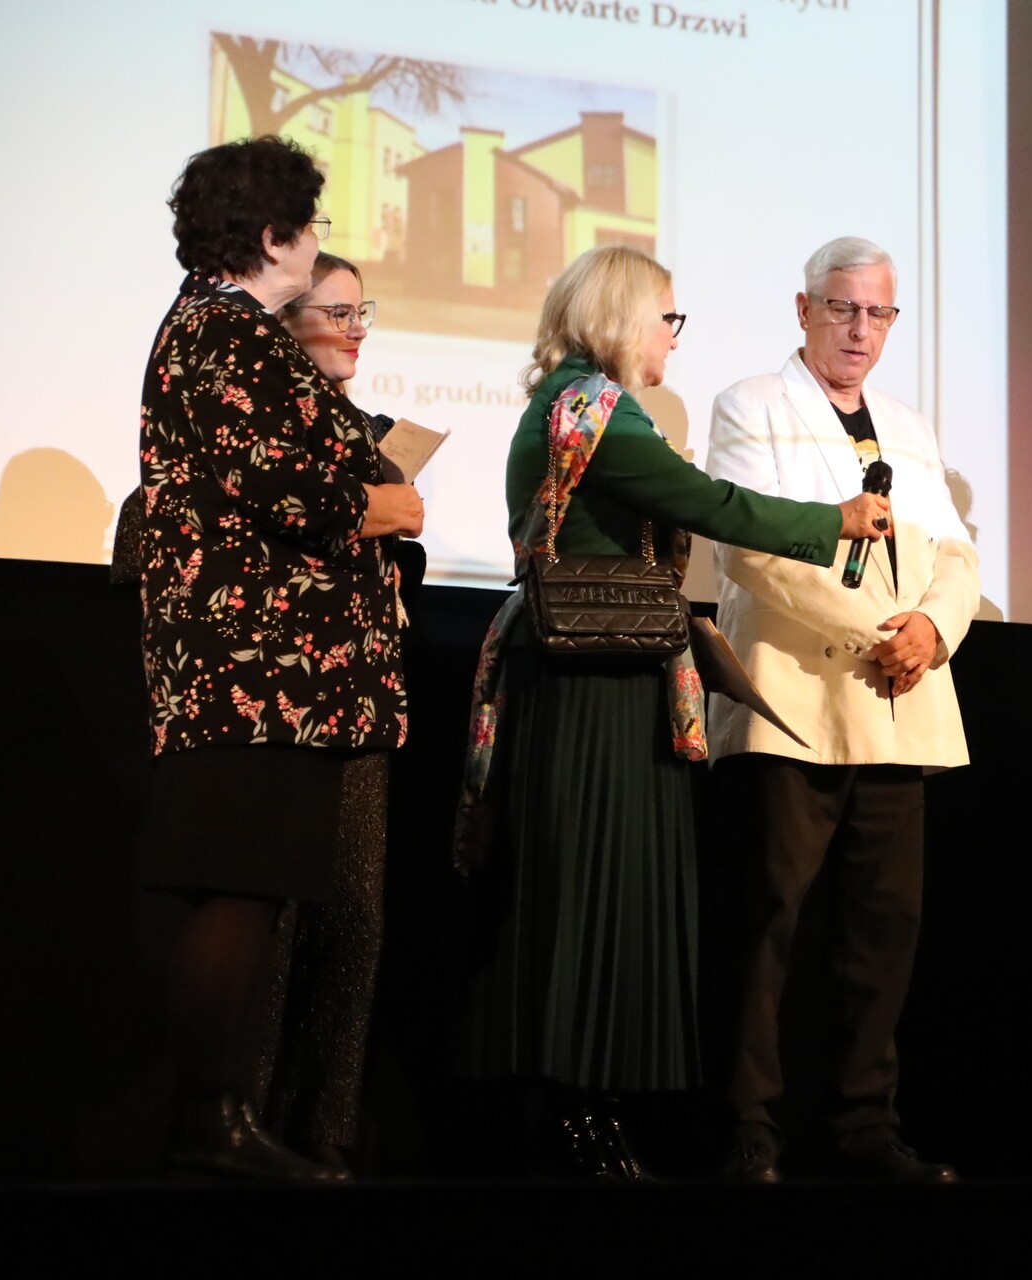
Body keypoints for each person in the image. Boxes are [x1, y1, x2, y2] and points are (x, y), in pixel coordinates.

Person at [457, 246, 889, 1179]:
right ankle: (577, 1120)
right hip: (594, 686)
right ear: (621, 317)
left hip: (592, 674)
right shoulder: (598, 410)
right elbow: (708, 502)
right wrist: (833, 522)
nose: (673, 338)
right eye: (667, 319)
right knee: (592, 892)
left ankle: (581, 1115)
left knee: (587, 891)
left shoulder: (567, 402)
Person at [138, 136, 425, 1180]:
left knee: (243, 884)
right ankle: (210, 1124)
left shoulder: (210, 328)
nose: (315, 244)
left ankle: (215, 1121)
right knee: (238, 886)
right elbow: (278, 483)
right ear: (271, 236)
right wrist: (380, 503)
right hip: (256, 667)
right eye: (309, 227)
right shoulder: (231, 333)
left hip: (254, 667)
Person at [705, 236, 980, 1183]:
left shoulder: (908, 424)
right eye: (842, 308)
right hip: (795, 700)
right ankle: (750, 1127)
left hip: (903, 701)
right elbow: (751, 551)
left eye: (878, 313)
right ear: (804, 309)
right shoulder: (749, 404)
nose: (861, 329)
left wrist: (933, 630)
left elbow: (955, 554)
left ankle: (865, 1128)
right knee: (768, 925)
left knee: (882, 931)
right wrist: (880, 632)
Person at [245, 253, 393, 1174]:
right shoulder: (251, 425)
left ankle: (326, 1136)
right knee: (272, 932)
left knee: (353, 932)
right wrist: (363, 513)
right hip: (280, 715)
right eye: (337, 312)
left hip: (363, 708)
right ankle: (243, 1128)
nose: (356, 329)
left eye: (362, 311)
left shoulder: (364, 440)